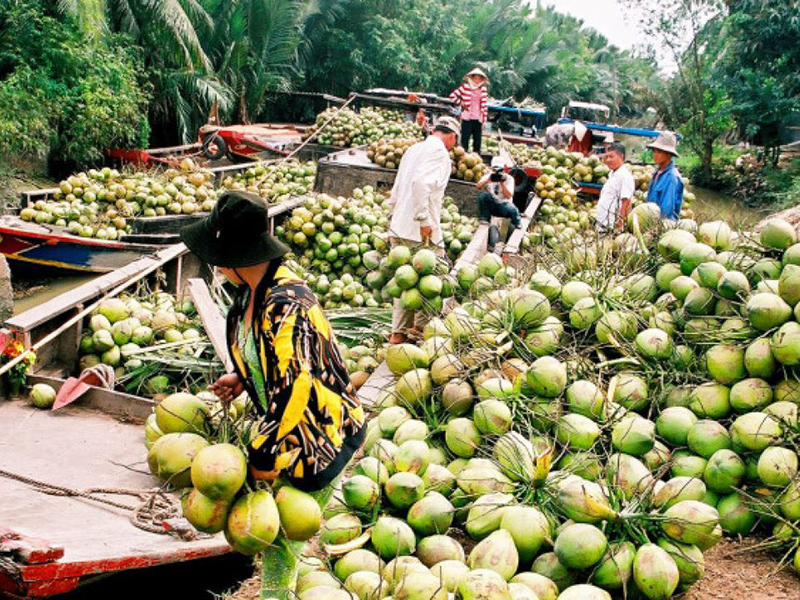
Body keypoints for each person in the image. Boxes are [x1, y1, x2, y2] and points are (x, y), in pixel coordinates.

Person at [180, 191, 366, 597]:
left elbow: (296, 385)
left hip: (321, 433)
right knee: (280, 538)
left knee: (281, 542)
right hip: (289, 430)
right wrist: (242, 378)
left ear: (231, 255)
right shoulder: (252, 292)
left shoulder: (288, 304)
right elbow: (270, 357)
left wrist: (264, 454)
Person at [387, 116, 460, 344]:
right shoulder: (439, 153)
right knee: (432, 281)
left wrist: (391, 217)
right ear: (451, 135)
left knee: (405, 283)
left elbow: (398, 186)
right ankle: (420, 331)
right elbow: (420, 183)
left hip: (400, 226)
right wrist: (424, 218)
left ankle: (398, 333)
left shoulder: (413, 149)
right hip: (420, 230)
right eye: (455, 141)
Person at [476, 156, 522, 251]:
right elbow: (478, 186)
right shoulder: (489, 176)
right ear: (491, 168)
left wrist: (502, 183)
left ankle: (517, 223)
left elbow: (509, 195)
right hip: (493, 205)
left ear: (504, 168)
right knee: (483, 196)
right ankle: (484, 219)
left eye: (499, 169)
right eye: (494, 169)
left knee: (513, 210)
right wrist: (487, 180)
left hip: (504, 206)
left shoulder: (509, 179)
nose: (497, 172)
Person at [595, 142, 635, 233]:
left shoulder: (625, 176)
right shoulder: (612, 174)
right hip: (603, 224)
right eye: (606, 157)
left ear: (621, 156)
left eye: (611, 157)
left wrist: (620, 224)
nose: (608, 160)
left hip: (612, 227)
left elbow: (626, 201)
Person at [449, 67, 489, 153]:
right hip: (467, 117)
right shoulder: (465, 87)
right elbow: (452, 96)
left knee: (477, 140)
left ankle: (476, 156)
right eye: (475, 78)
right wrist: (461, 103)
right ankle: (463, 155)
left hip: (478, 118)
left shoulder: (483, 90)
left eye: (479, 78)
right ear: (472, 78)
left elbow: (484, 106)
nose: (477, 80)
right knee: (465, 139)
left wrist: (484, 120)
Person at [647, 131, 684, 220]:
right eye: (654, 151)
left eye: (659, 152)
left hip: (662, 225)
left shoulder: (672, 177)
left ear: (668, 154)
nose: (655, 155)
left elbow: (666, 210)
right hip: (651, 221)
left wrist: (656, 229)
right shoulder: (657, 173)